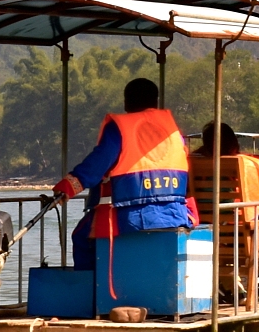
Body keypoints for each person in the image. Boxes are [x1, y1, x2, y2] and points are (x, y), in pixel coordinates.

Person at [57, 77, 194, 271]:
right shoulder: (173, 132)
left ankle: (93, 295)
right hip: (175, 213)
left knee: (82, 236)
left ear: (127, 101)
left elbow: (97, 166)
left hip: (131, 216)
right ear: (155, 101)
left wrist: (67, 188)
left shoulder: (120, 128)